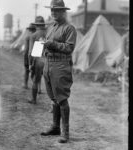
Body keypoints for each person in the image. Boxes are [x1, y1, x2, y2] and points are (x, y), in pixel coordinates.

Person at [40, 0, 77, 143]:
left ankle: (65, 133)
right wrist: (43, 46)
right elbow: (48, 43)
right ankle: (55, 127)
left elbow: (69, 48)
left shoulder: (69, 28)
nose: (54, 13)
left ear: (63, 12)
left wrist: (52, 44)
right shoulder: (51, 27)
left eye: (57, 10)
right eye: (52, 10)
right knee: (53, 98)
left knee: (61, 98)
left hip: (61, 64)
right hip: (48, 64)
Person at [28, 16, 46, 104]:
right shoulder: (48, 34)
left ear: (36, 25)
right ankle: (53, 105)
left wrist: (30, 64)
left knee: (35, 80)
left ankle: (34, 99)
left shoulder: (34, 35)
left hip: (38, 60)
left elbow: (32, 52)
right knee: (50, 83)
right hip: (48, 60)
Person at [22, 24, 36, 89]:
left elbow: (26, 49)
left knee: (27, 70)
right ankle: (37, 87)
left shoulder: (27, 36)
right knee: (35, 72)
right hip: (35, 56)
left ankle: (25, 84)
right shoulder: (35, 36)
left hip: (27, 55)